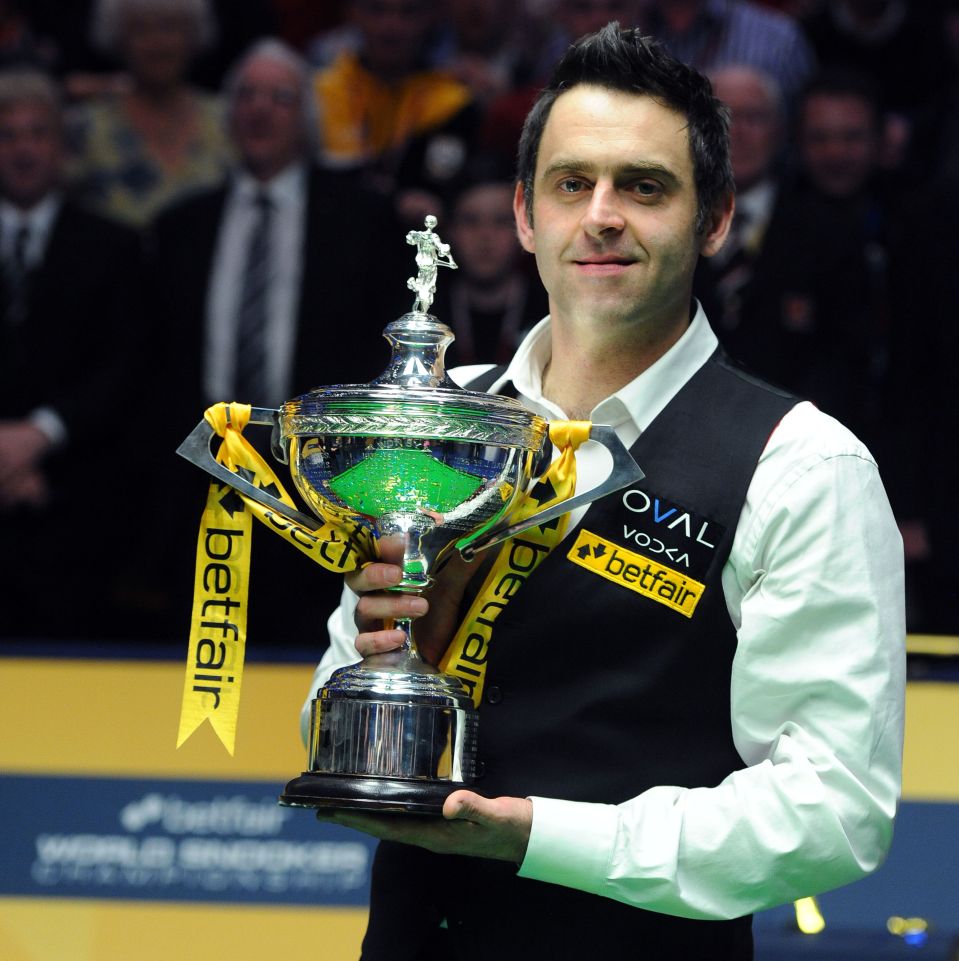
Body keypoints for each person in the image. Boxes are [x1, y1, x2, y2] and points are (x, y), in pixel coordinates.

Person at [302, 25, 905, 960]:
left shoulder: (802, 463)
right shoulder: (438, 421)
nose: (602, 215)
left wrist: (538, 834)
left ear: (715, 219)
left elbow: (831, 810)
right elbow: (338, 700)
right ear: (521, 215)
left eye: (644, 186)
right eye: (571, 183)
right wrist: (374, 662)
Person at [146, 38, 407, 646]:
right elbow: (154, 361)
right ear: (228, 113)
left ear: (307, 118)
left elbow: (384, 356)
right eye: (246, 96)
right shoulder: (180, 226)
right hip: (197, 475)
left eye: (280, 97)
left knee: (306, 649)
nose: (260, 110)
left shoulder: (364, 220)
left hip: (320, 485)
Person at [0, 67, 143, 638]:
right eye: (7, 134)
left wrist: (38, 435)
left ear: (61, 146)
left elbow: (127, 364)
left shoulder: (114, 245)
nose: (23, 148)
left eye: (37, 133)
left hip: (75, 505)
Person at [67, 0, 232, 227]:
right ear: (119, 39)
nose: (157, 43)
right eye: (141, 29)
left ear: (193, 35)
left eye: (170, 27)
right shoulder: (83, 128)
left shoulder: (229, 121)